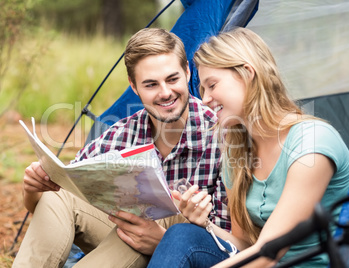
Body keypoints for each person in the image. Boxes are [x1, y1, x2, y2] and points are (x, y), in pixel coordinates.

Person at [12, 28, 230, 268]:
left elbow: (233, 241)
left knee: (141, 224)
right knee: (62, 194)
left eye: (172, 79)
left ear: (188, 72)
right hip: (126, 233)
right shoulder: (121, 135)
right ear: (134, 87)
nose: (165, 92)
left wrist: (164, 241)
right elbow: (48, 207)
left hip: (190, 247)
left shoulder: (220, 134)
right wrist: (33, 189)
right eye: (150, 84)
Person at [148, 27, 349, 268]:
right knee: (183, 235)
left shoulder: (312, 143)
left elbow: (268, 254)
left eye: (212, 85)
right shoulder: (238, 153)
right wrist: (205, 224)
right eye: (202, 89)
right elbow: (245, 245)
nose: (204, 99)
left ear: (247, 74)